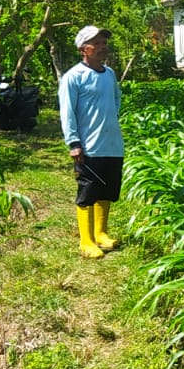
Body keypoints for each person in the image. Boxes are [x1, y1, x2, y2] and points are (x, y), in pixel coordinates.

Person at [59, 24, 124, 260]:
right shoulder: (73, 77)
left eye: (104, 43)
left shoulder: (109, 74)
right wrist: (74, 142)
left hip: (112, 144)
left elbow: (116, 101)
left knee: (107, 189)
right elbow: (67, 112)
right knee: (88, 191)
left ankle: (101, 233)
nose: (102, 48)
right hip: (88, 146)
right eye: (96, 44)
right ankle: (86, 240)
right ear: (83, 49)